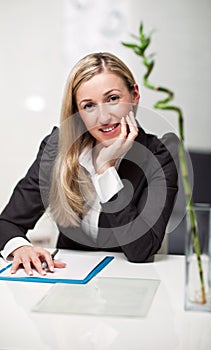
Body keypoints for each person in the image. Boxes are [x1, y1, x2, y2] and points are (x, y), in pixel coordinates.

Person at [0, 52, 178, 276]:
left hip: (134, 281)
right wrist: (20, 247)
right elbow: (7, 223)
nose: (103, 118)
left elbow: (140, 250)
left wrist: (106, 170)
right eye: (89, 106)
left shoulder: (159, 156)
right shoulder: (57, 148)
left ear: (134, 95)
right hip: (68, 276)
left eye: (112, 99)